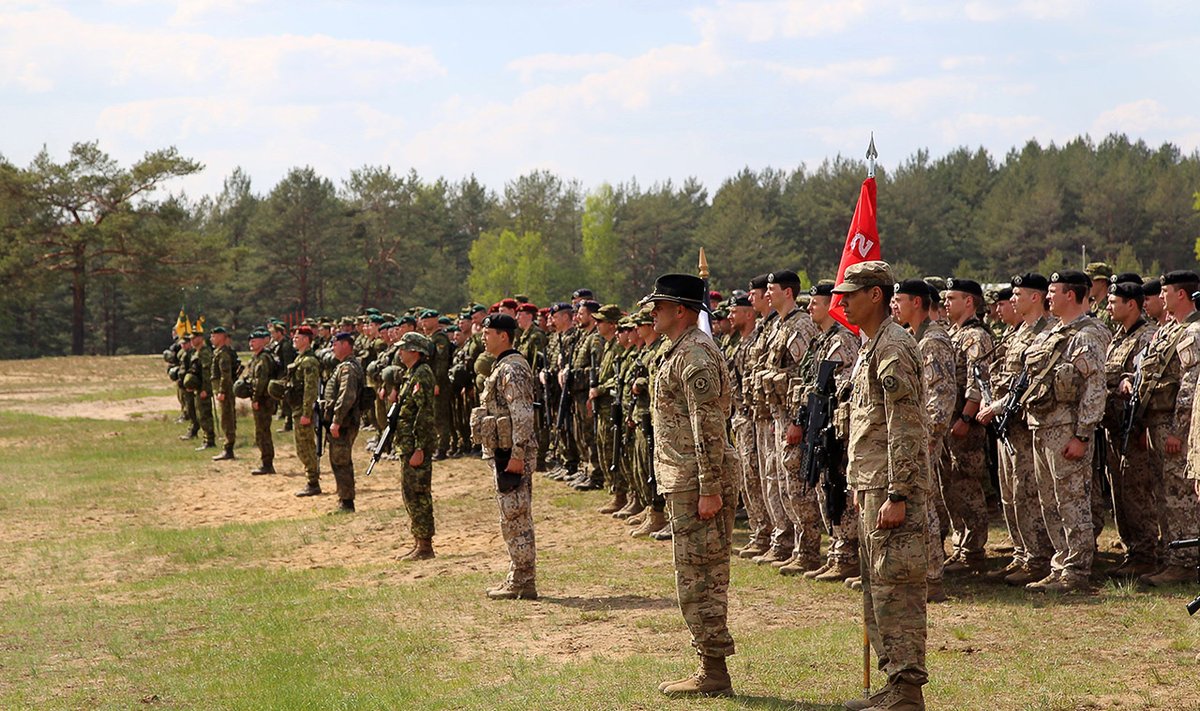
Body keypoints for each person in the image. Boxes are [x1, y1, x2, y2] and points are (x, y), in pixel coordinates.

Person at [835, 261, 929, 711]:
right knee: (878, 587)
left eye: (851, 294)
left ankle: (907, 689)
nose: (843, 302)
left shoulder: (892, 346)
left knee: (898, 587)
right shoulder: (871, 346)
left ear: (875, 295)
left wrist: (898, 492)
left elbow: (905, 427)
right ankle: (893, 684)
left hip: (893, 488)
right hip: (873, 484)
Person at [640, 274, 737, 698]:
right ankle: (708, 663)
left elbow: (709, 425)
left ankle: (713, 671)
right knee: (693, 577)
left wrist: (709, 487)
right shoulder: (675, 351)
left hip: (699, 481)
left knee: (702, 578)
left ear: (681, 309)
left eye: (659, 306)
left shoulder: (694, 354)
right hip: (685, 478)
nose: (653, 312)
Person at [1022, 271, 1111, 593]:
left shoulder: (1086, 335)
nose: (1048, 296)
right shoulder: (1051, 333)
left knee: (1072, 501)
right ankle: (1060, 565)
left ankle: (1076, 571)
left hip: (1067, 430)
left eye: (1053, 291)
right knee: (1050, 502)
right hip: (1042, 426)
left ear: (1071, 295)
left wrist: (1082, 434)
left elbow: (1095, 388)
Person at [1133, 270, 1200, 586]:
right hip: (1158, 423)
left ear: (1182, 295)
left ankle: (1186, 562)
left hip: (1177, 428)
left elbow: (1190, 385)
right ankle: (1170, 555)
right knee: (1162, 493)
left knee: (1179, 496)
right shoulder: (1169, 330)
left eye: (1165, 291)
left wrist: (1178, 430)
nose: (1160, 297)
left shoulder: (1192, 332)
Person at [475, 313, 539, 600]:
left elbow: (523, 415)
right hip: (502, 451)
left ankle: (523, 580)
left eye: (488, 333)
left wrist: (518, 454)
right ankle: (518, 575)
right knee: (510, 516)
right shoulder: (502, 366)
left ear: (503, 336)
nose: (483, 337)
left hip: (511, 454)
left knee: (516, 516)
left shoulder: (512, 369)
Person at [1102, 278, 1159, 578]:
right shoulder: (1118, 336)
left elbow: (1148, 381)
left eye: (1114, 302)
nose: (1108, 306)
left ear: (1132, 304)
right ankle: (1132, 551)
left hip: (1135, 428)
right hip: (1114, 426)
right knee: (1119, 492)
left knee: (1137, 491)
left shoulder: (1147, 336)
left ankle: (1147, 553)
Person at [393, 331, 438, 561]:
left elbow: (425, 414)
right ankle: (418, 541)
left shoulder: (422, 374)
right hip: (407, 443)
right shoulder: (411, 373)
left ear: (415, 351)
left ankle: (425, 546)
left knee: (419, 493)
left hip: (416, 445)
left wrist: (420, 448)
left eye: (403, 348)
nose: (399, 353)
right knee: (410, 493)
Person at [325, 332, 364, 513]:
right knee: (338, 460)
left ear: (345, 345)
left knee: (341, 461)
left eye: (335, 344)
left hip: (344, 423)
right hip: (343, 421)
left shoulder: (348, 368)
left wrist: (337, 421)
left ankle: (347, 502)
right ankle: (343, 498)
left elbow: (346, 396)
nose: (332, 347)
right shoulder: (344, 366)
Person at [291, 326, 325, 497]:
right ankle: (311, 479)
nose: (294, 339)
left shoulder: (309, 361)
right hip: (297, 408)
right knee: (301, 446)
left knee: (306, 446)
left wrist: (306, 413)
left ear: (306, 339)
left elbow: (310, 389)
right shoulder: (301, 359)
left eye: (297, 337)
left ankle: (313, 482)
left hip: (303, 410)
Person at [247, 328, 278, 475]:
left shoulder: (264, 358)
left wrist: (256, 398)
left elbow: (262, 381)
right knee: (260, 431)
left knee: (263, 431)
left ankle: (267, 463)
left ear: (262, 342)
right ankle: (265, 461)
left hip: (264, 400)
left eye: (254, 340)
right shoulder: (256, 358)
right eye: (250, 340)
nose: (251, 343)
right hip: (260, 399)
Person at [210, 326, 238, 461]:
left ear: (221, 337)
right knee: (225, 418)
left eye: (214, 336)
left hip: (225, 391)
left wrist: (222, 391)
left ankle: (228, 448)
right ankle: (227, 447)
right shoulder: (218, 352)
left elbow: (225, 375)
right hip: (221, 390)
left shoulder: (224, 354)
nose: (212, 339)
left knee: (227, 419)